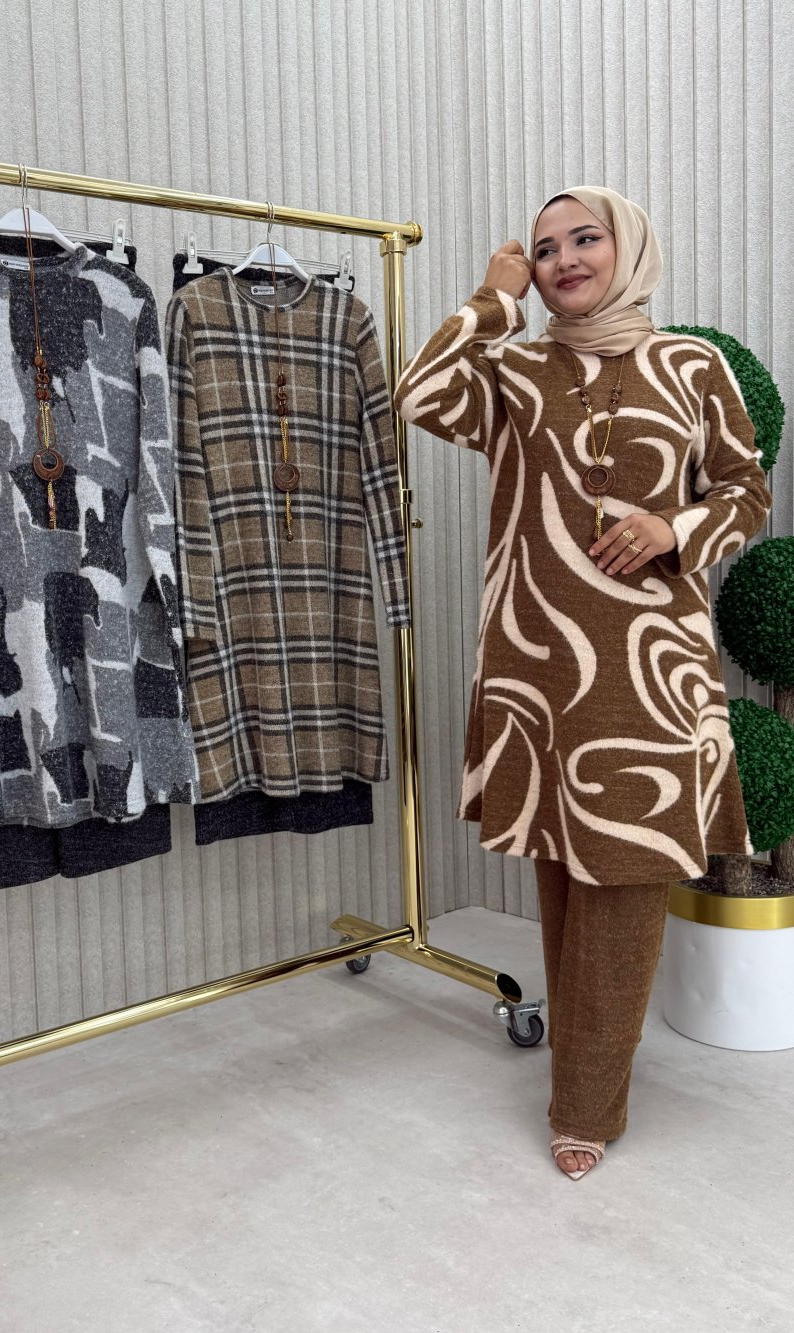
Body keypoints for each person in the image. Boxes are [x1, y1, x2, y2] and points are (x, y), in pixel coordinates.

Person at [393, 187, 772, 1180]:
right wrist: (492, 298)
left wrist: (673, 527)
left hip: (650, 668)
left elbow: (746, 490)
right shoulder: (516, 370)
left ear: (628, 247)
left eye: (585, 238)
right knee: (564, 867)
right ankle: (581, 1063)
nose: (563, 258)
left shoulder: (693, 367)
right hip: (538, 663)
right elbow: (421, 393)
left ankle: (587, 1103)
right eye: (546, 247)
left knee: (624, 876)